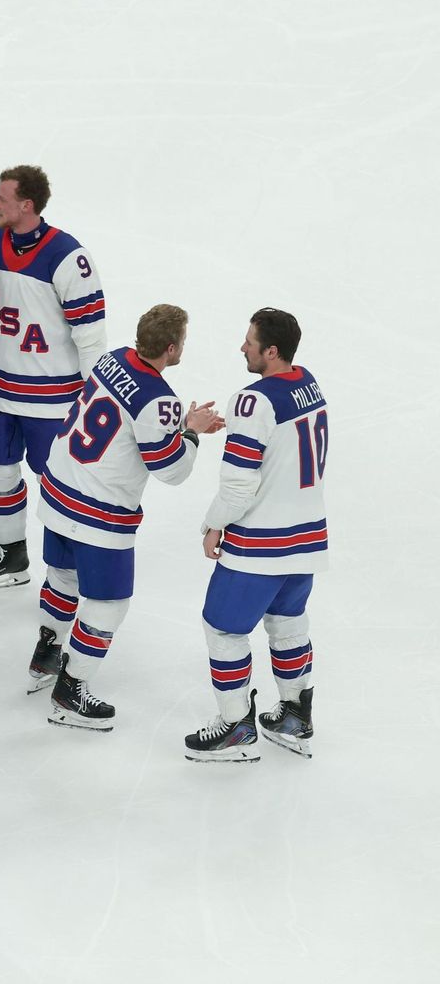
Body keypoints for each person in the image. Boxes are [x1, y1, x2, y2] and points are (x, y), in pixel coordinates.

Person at [34, 304, 223, 730]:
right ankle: (69, 691)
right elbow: (171, 467)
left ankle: (45, 654)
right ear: (171, 348)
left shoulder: (113, 357)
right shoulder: (160, 399)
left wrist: (182, 424)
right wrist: (191, 431)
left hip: (58, 488)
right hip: (97, 513)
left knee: (63, 578)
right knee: (108, 605)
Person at [184, 309, 325, 762]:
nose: (241, 347)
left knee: (222, 628)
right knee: (287, 627)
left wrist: (214, 523)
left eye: (250, 342)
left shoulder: (253, 401)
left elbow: (239, 484)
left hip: (261, 545)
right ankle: (294, 716)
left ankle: (235, 729)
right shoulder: (310, 384)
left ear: (272, 351)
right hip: (305, 539)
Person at [0, 165, 108, 591]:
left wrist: (92, 397)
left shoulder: (67, 256)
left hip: (52, 399)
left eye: (2, 199)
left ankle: (73, 568)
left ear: (26, 205)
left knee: (61, 485)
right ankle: (12, 556)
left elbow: (91, 337)